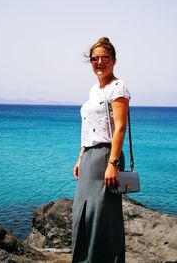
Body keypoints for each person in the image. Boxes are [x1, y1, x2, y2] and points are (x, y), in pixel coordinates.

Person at [72, 37, 131, 263]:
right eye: (94, 59)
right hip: (89, 158)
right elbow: (89, 129)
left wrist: (113, 164)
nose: (99, 62)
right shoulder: (94, 89)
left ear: (114, 60)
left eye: (104, 58)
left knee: (102, 217)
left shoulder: (118, 87)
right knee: (82, 213)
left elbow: (120, 128)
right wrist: (80, 158)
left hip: (107, 156)